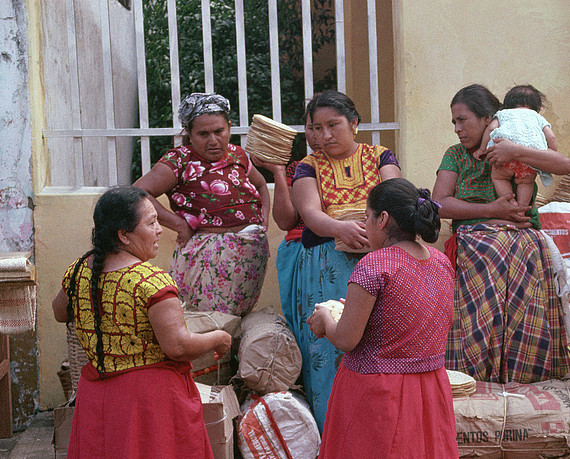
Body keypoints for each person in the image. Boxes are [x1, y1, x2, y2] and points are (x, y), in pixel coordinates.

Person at [51, 186, 233, 459]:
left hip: (97, 397)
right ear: (124, 235)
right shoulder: (150, 281)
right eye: (151, 223)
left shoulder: (79, 271)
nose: (160, 229)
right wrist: (219, 337)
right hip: (148, 402)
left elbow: (60, 313)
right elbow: (178, 346)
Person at [303, 178, 465, 459]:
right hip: (429, 393)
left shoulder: (375, 265)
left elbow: (346, 339)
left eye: (367, 216)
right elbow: (414, 319)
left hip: (377, 397)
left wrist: (326, 319)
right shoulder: (440, 262)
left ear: (383, 219)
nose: (364, 223)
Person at [432, 83, 570, 384]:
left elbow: (565, 165)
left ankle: (526, 378)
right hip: (477, 242)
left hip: (523, 238)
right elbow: (440, 203)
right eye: (454, 122)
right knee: (490, 251)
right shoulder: (456, 155)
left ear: (488, 119)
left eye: (463, 120)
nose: (457, 129)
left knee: (527, 251)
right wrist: (491, 210)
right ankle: (476, 376)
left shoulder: (520, 143)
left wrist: (517, 151)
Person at [291, 90, 402, 432]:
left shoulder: (381, 157)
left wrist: (375, 231)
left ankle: (379, 430)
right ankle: (332, 434)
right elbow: (310, 213)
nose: (325, 135)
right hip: (326, 265)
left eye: (333, 125)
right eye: (317, 128)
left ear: (354, 123)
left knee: (378, 341)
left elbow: (397, 200)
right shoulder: (308, 166)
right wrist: (339, 227)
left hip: (379, 264)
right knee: (326, 347)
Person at [133, 92, 270, 317]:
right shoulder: (179, 160)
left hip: (249, 255)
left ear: (229, 127)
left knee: (237, 318)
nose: (213, 140)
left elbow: (261, 184)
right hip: (204, 257)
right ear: (189, 133)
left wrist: (263, 221)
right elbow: (138, 192)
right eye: (203, 134)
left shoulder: (238, 154)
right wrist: (179, 224)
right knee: (204, 322)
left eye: (219, 131)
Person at [250, 96, 323, 344]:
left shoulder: (367, 163)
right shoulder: (299, 169)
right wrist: (279, 172)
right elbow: (285, 221)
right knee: (306, 326)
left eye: (329, 126)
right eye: (312, 128)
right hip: (299, 253)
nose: (319, 136)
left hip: (344, 249)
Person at [474, 84, 559, 214]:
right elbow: (551, 138)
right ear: (538, 108)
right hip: (528, 160)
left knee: (499, 178)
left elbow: (491, 129)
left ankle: (510, 203)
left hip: (504, 159)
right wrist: (550, 153)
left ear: (507, 105)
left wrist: (482, 149)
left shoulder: (503, 114)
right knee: (526, 183)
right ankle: (521, 209)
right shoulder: (538, 117)